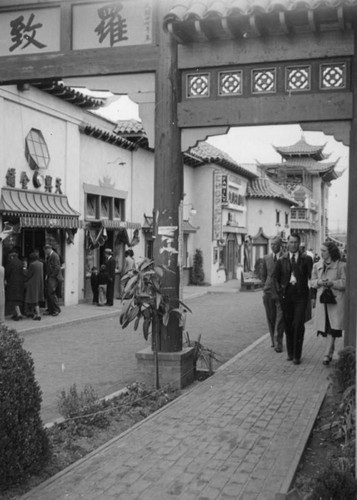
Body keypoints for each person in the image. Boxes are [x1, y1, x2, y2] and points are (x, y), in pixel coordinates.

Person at [273, 233, 313, 365]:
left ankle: (297, 355)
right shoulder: (281, 260)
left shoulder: (306, 259)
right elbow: (275, 279)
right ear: (287, 243)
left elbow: (312, 279)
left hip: (301, 296)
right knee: (288, 324)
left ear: (299, 243)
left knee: (298, 324)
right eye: (291, 242)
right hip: (286, 295)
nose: (293, 245)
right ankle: (290, 352)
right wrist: (280, 293)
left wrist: (312, 296)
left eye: (296, 242)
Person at [310, 241, 346, 366]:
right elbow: (312, 282)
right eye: (321, 250)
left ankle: (326, 354)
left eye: (324, 251)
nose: (321, 253)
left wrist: (332, 283)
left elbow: (345, 283)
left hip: (335, 301)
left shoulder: (341, 265)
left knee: (332, 327)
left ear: (330, 251)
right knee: (327, 328)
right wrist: (319, 282)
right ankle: (330, 352)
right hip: (323, 301)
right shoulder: (317, 265)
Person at [261, 236, 285, 353]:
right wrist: (265, 286)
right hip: (268, 291)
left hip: (280, 292)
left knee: (280, 318)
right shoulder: (266, 258)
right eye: (271, 244)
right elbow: (263, 275)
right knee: (270, 317)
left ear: (280, 245)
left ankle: (278, 342)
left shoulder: (285, 257)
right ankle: (273, 340)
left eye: (275, 244)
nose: (273, 246)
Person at [24, 251, 44, 321]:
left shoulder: (32, 264)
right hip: (39, 283)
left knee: (33, 299)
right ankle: (33, 313)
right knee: (34, 298)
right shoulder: (41, 264)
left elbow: (29, 274)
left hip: (32, 284)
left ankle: (38, 314)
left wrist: (24, 270)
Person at [5, 248, 24, 320]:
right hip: (20, 282)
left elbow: (7, 272)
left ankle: (18, 314)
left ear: (11, 256)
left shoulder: (10, 262)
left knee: (13, 299)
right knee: (17, 299)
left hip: (12, 282)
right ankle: (16, 313)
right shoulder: (20, 262)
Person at [44, 243, 62, 316]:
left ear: (48, 249)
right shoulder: (49, 256)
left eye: (45, 251)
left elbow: (57, 268)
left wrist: (51, 276)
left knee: (51, 293)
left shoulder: (55, 256)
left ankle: (56, 309)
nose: (45, 252)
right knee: (49, 293)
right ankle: (50, 309)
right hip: (50, 276)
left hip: (54, 277)